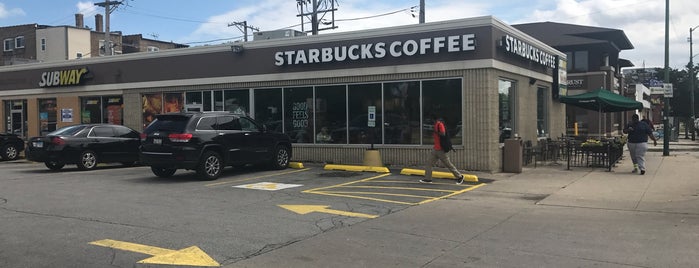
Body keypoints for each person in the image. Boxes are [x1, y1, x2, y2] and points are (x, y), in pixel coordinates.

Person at [420, 116, 465, 184]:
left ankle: (459, 177)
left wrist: (436, 132)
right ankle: (428, 179)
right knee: (429, 163)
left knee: (448, 164)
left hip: (441, 150)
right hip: (435, 149)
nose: (431, 121)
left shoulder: (439, 124)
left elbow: (443, 133)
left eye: (431, 119)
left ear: (434, 119)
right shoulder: (436, 124)